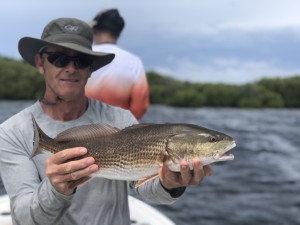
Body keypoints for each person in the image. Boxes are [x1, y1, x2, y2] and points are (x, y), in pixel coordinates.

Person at [0, 18, 212, 225]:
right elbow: (26, 218)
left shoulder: (120, 118)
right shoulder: (11, 133)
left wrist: (170, 184)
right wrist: (56, 189)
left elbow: (143, 186)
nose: (71, 68)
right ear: (40, 62)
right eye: (59, 59)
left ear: (91, 68)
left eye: (81, 61)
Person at [85, 9, 149, 120]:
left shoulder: (81, 55)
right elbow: (140, 107)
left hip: (78, 130)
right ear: (118, 34)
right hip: (117, 131)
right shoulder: (134, 62)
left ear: (95, 30)